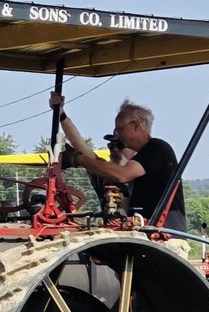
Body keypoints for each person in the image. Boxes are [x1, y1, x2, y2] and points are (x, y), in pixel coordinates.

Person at [50, 93, 187, 233]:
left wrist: (77, 159)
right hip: (139, 233)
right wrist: (61, 114)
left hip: (164, 236)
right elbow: (80, 145)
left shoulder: (156, 149)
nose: (115, 147)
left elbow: (122, 174)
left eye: (119, 131)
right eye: (111, 146)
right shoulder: (107, 174)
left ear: (136, 126)